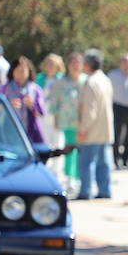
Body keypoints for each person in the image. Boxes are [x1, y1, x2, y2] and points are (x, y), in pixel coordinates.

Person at [75, 48, 114, 200]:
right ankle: (105, 190)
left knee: (86, 163)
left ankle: (85, 191)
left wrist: (83, 129)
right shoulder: (105, 79)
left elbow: (89, 110)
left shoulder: (91, 82)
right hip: (105, 130)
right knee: (103, 163)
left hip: (92, 130)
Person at [48, 54, 84, 193]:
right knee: (70, 149)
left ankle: (80, 177)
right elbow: (54, 103)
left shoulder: (85, 81)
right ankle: (70, 178)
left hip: (84, 123)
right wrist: (56, 120)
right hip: (67, 122)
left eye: (78, 62)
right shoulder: (61, 82)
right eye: (73, 62)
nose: (76, 65)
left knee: (82, 151)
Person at [2, 57, 46, 146]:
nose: (20, 74)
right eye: (17, 70)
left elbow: (41, 113)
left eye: (23, 71)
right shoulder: (5, 88)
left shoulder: (35, 89)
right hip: (10, 131)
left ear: (29, 72)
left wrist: (32, 106)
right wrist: (9, 106)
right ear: (12, 72)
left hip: (31, 133)